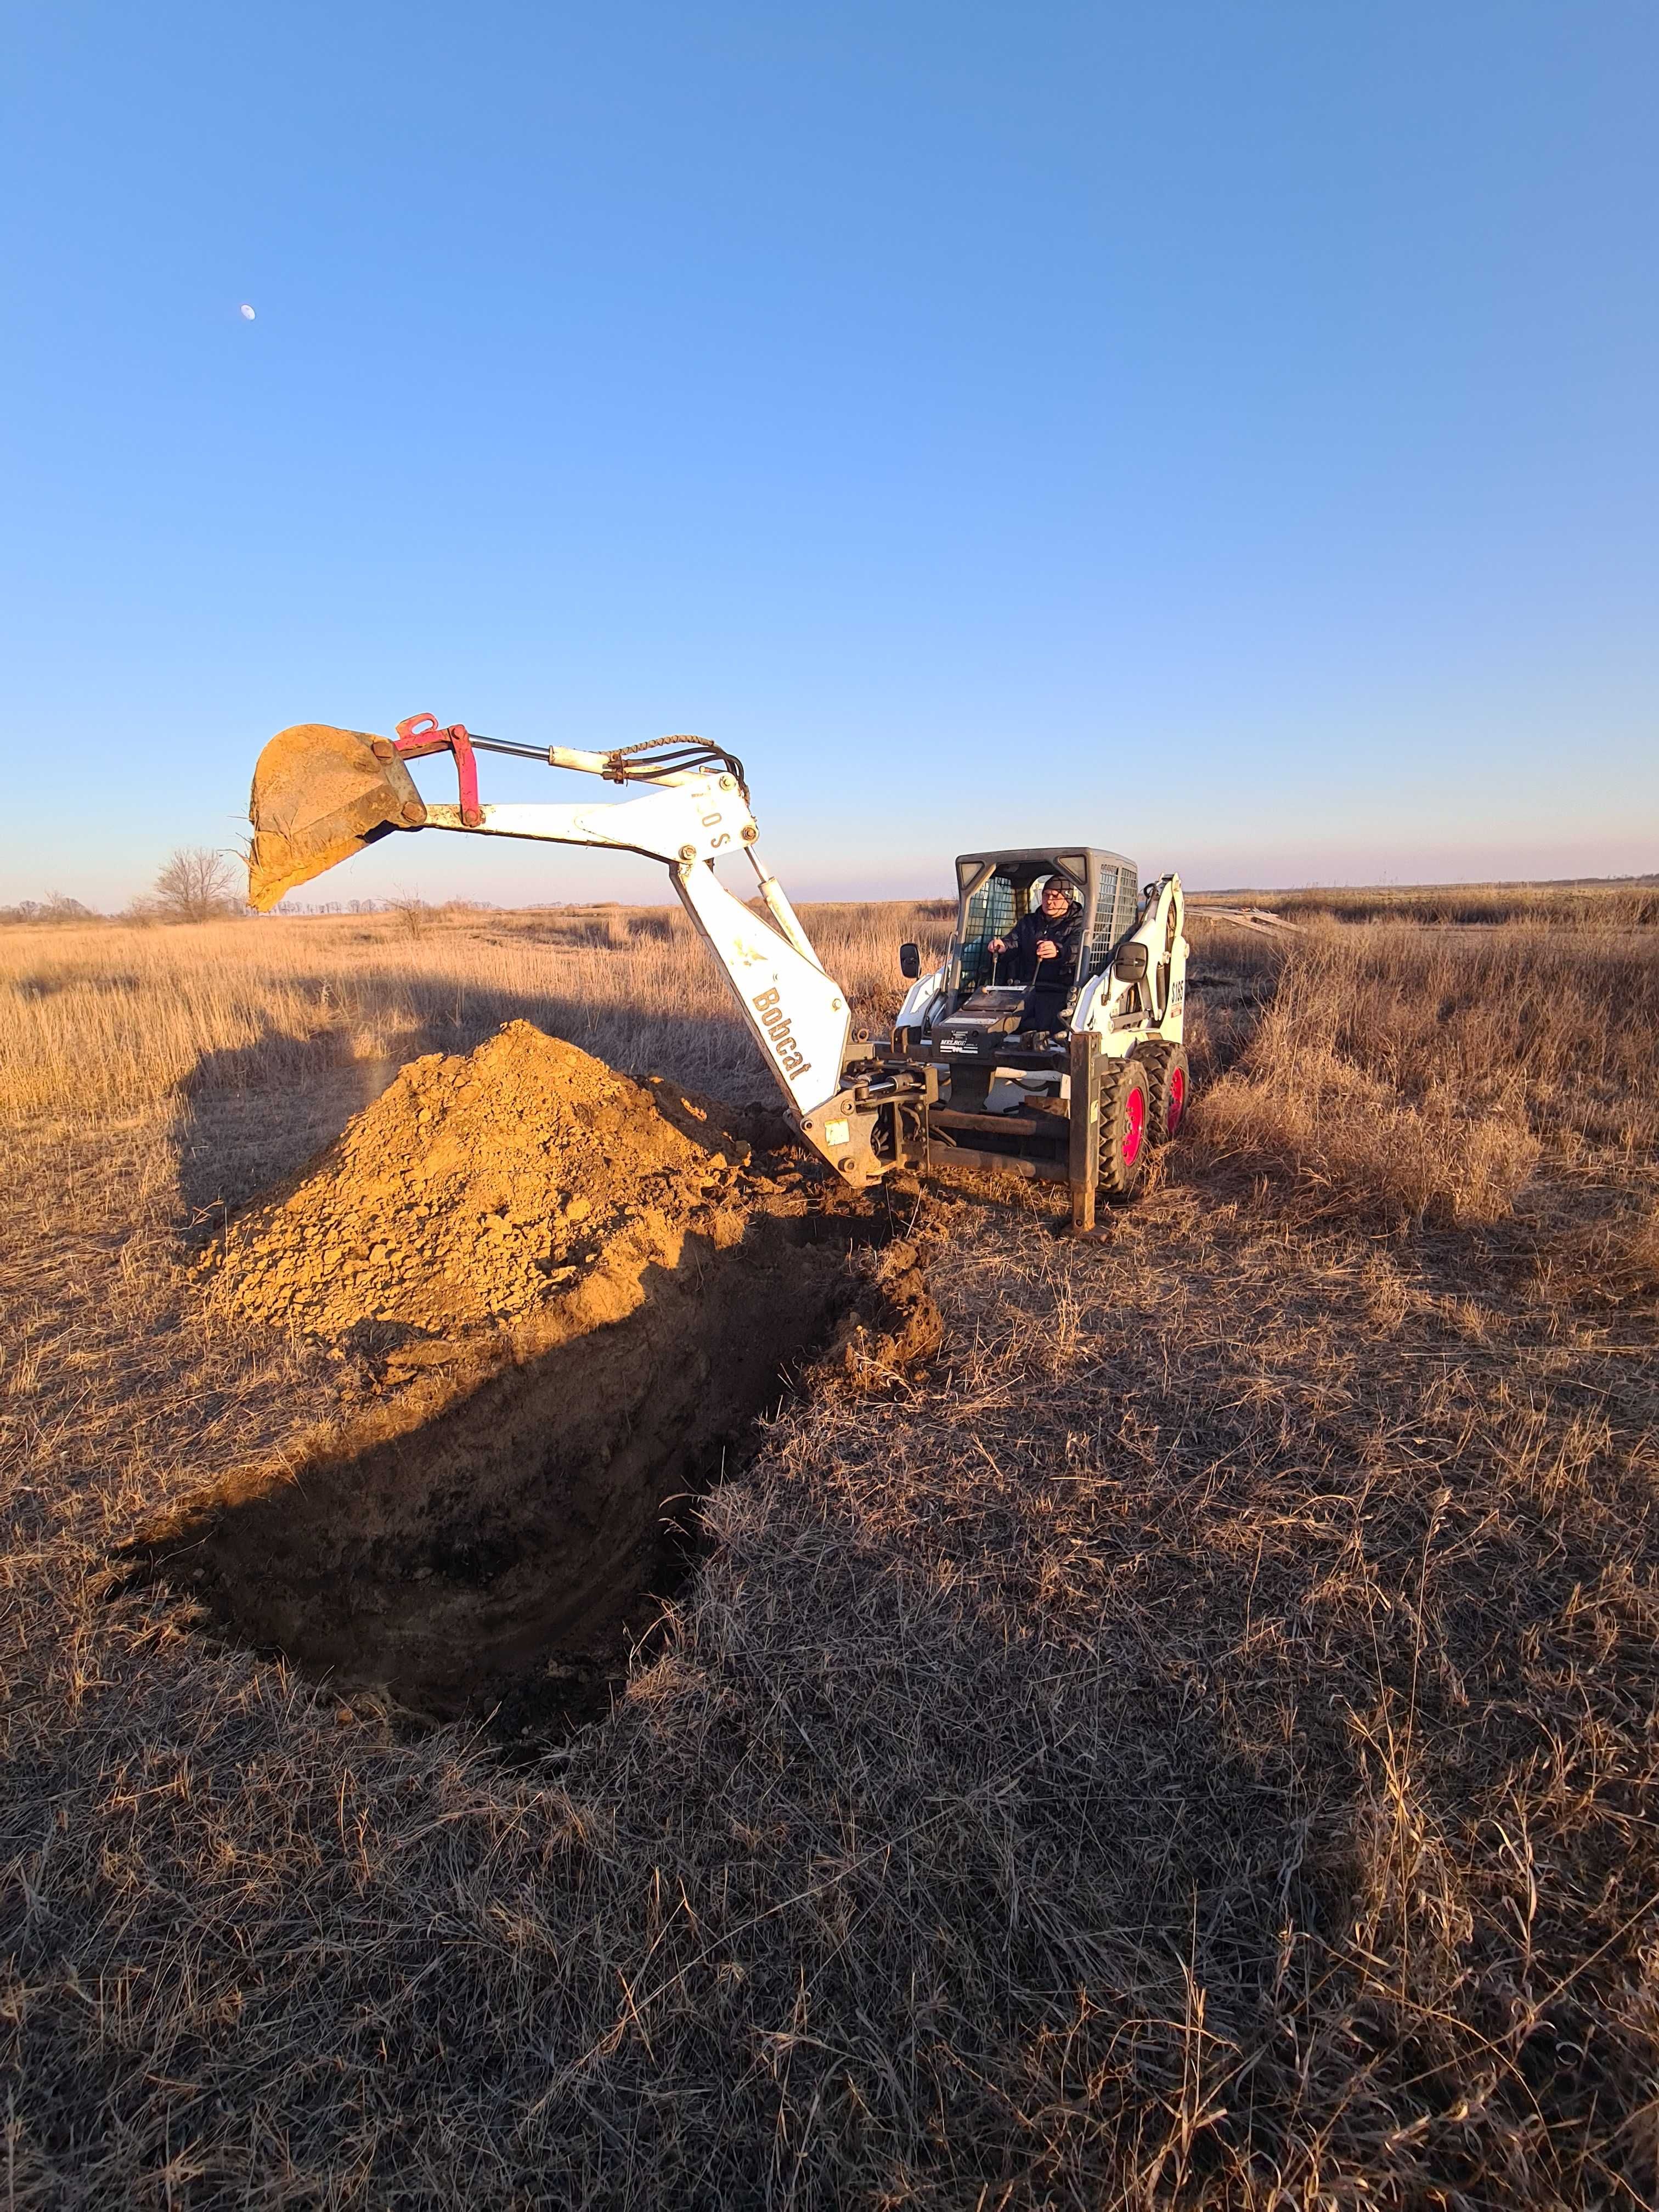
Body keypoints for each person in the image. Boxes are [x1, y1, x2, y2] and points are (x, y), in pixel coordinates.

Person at [987, 875, 1083, 1034]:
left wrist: (1059, 951)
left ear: (1068, 899)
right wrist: (1003, 945)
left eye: (1055, 897)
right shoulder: (1030, 922)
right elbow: (1015, 940)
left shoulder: (1081, 923)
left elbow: (1079, 949)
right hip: (1026, 989)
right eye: (1046, 895)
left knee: (1046, 1024)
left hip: (1060, 990)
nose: (1049, 901)